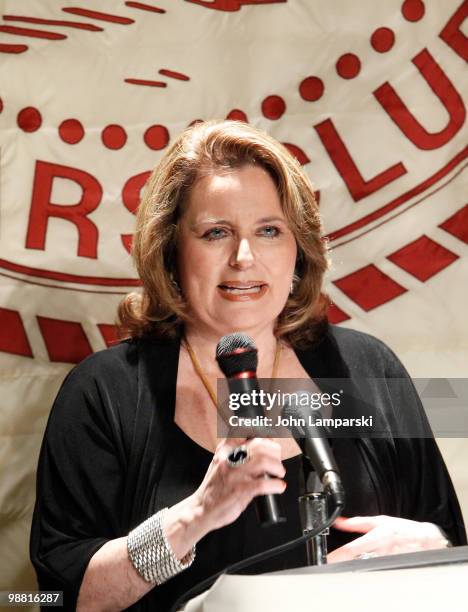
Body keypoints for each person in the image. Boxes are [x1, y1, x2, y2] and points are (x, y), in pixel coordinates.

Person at [30, 120, 466, 611]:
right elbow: (55, 595)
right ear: (171, 249)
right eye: (217, 232)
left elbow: (449, 542)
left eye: (269, 231)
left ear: (297, 249)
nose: (244, 257)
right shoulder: (102, 391)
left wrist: (433, 547)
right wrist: (196, 514)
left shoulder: (370, 369)